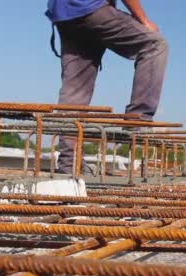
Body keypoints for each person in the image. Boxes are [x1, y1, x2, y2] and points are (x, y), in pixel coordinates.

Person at [46, 0, 168, 174]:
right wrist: (143, 19)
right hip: (90, 8)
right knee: (155, 45)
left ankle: (69, 164)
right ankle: (137, 119)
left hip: (65, 15)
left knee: (75, 92)